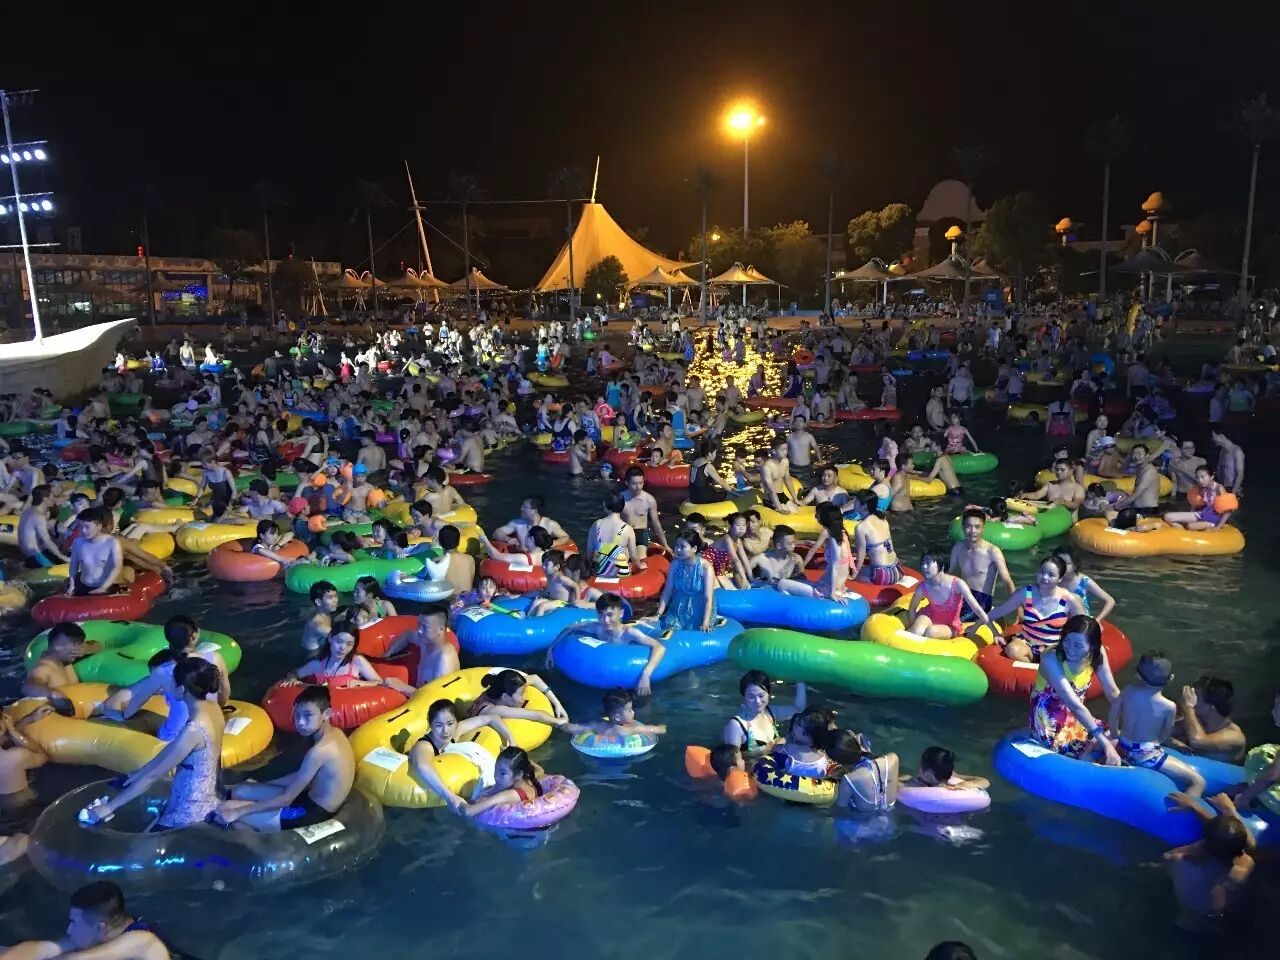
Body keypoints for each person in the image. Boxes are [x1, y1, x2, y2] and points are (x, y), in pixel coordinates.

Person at [81, 658, 226, 829]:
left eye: (172, 682)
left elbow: (154, 776)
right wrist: (139, 773)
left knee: (140, 845)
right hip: (207, 798)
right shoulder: (214, 709)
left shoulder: (193, 730)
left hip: (188, 811)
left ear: (181, 689)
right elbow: (170, 752)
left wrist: (109, 807)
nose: (168, 686)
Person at [215, 685, 354, 831]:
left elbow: (286, 799)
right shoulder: (336, 734)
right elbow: (304, 777)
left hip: (309, 812)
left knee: (227, 808)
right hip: (305, 796)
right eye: (297, 715)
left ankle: (258, 838)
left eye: (307, 715)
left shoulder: (320, 751)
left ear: (326, 714)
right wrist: (264, 785)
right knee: (241, 791)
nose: (300, 722)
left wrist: (237, 812)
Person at [1108, 650, 1205, 797]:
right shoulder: (1169, 706)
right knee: (1198, 781)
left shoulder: (1128, 691)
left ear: (1138, 675)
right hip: (1147, 757)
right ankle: (1185, 807)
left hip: (1122, 747)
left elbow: (1113, 713)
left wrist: (1115, 736)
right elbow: (1165, 734)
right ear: (1171, 678)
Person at [1027, 615, 1121, 763]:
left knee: (1118, 739)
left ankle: (1089, 751)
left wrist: (1134, 716)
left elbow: (1112, 691)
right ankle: (1087, 756)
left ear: (1092, 646)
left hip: (1076, 717)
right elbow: (1074, 704)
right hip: (1049, 721)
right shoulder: (1051, 660)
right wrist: (1105, 743)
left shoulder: (1097, 654)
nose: (1070, 649)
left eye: (1078, 645)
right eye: (1067, 641)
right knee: (1101, 746)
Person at [0, 881, 171, 959]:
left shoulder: (143, 940)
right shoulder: (100, 935)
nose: (69, 929)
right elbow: (41, 949)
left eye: (74, 922)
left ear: (100, 928)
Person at [1163, 792, 1256, 931]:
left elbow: (1167, 858)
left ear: (1205, 843)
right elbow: (1247, 843)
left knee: (1185, 922)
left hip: (1194, 912)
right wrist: (1230, 810)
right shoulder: (1245, 865)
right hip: (1225, 913)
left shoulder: (1180, 862)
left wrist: (1194, 807)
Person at [408, 699, 519, 812]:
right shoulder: (424, 745)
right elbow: (422, 766)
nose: (445, 730)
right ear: (430, 725)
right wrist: (450, 797)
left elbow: (492, 718)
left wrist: (512, 741)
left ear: (456, 722)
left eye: (450, 723)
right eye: (438, 725)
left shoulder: (454, 733)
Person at [986, 555, 1086, 662]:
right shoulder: (1026, 593)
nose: (1045, 577)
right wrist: (995, 633)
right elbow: (995, 613)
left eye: (1051, 575)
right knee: (1012, 650)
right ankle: (1031, 667)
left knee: (1051, 658)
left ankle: (1045, 666)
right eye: (1042, 572)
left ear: (1060, 578)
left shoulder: (1069, 599)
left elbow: (1085, 627)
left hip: (1053, 647)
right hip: (1026, 642)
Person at [569, 593, 666, 696]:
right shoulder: (597, 628)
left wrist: (646, 674)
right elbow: (572, 627)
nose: (605, 620)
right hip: (603, 678)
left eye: (610, 615)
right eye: (601, 615)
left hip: (627, 682)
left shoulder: (628, 633)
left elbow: (659, 647)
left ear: (621, 613)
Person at [287, 627, 415, 697]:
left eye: (349, 644)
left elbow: (379, 682)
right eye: (339, 641)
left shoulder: (357, 662)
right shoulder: (317, 665)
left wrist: (362, 683)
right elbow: (294, 673)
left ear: (353, 645)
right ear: (330, 638)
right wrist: (292, 679)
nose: (342, 648)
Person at [905, 549, 994, 639]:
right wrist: (912, 624)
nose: (924, 567)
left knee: (930, 632)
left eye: (928, 563)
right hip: (928, 617)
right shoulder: (923, 587)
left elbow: (977, 609)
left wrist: (995, 633)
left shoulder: (958, 584)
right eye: (923, 563)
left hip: (949, 626)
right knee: (917, 630)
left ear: (942, 565)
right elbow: (912, 608)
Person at [722, 670, 807, 761]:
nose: (758, 701)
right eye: (751, 697)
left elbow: (799, 710)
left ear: (769, 694)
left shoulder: (770, 712)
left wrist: (801, 685)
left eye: (761, 696)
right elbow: (732, 762)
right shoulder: (736, 726)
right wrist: (768, 748)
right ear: (744, 697)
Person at [948, 508, 1015, 619]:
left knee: (950, 621)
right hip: (963, 597)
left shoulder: (993, 552)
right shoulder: (958, 547)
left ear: (983, 528)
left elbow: (1007, 581)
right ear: (963, 527)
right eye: (969, 526)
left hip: (981, 602)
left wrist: (1019, 611)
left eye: (977, 527)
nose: (973, 531)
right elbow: (951, 575)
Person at [1171, 676, 1246, 764]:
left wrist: (1188, 707)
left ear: (1211, 707)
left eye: (1195, 699)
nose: (1191, 701)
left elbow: (1198, 740)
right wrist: (1175, 744)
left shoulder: (1235, 737)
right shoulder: (1196, 723)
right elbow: (1161, 733)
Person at [22, 622, 96, 709]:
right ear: (57, 646)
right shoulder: (45, 667)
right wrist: (54, 694)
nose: (78, 649)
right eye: (74, 644)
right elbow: (27, 687)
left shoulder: (65, 659)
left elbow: (98, 645)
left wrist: (86, 648)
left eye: (79, 644)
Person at [654, 529, 715, 632]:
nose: (678, 549)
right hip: (677, 609)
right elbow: (667, 591)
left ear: (694, 548)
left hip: (698, 610)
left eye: (682, 547)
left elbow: (708, 598)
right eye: (677, 546)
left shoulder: (706, 568)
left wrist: (705, 623)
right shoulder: (675, 564)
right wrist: (658, 614)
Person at [831, 728, 898, 816]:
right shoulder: (893, 759)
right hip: (890, 817)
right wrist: (867, 751)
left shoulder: (849, 780)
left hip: (862, 822)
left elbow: (839, 811)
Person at [563, 688, 668, 740]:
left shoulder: (597, 725)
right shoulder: (629, 730)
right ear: (617, 717)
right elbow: (660, 730)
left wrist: (563, 724)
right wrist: (663, 726)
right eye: (629, 710)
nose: (633, 712)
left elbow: (572, 728)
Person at [64, 506, 124, 596]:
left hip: (106, 586)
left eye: (87, 527)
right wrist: (72, 585)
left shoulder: (112, 542)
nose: (83, 530)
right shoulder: (78, 542)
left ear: (99, 526)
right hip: (83, 586)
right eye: (81, 527)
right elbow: (73, 566)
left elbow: (117, 567)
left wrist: (103, 588)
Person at [848, 490, 902, 585]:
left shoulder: (861, 527)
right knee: (865, 569)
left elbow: (861, 556)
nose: (854, 502)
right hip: (898, 568)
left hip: (884, 574)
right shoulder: (883, 519)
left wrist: (853, 575)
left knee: (849, 574)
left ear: (864, 506)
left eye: (856, 501)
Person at [587, 492, 645, 578]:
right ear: (622, 507)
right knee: (625, 552)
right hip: (620, 574)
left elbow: (589, 552)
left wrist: (589, 568)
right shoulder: (628, 529)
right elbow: (633, 556)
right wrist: (639, 565)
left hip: (598, 572)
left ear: (605, 505)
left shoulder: (596, 525)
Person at [1162, 464, 1235, 531]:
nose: (1200, 480)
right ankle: (1182, 532)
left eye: (1202, 477)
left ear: (1212, 476)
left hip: (1214, 519)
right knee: (1168, 517)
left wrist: (1218, 527)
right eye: (1197, 477)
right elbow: (1196, 503)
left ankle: (1208, 526)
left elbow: (1228, 510)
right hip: (1203, 514)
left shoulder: (1219, 488)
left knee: (1190, 526)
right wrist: (1190, 515)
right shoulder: (1203, 489)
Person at [1053, 549, 1116, 621]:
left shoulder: (1084, 581)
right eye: (1059, 563)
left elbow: (1110, 601)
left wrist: (1098, 620)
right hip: (1059, 620)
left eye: (1066, 563)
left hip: (1081, 621)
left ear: (1075, 566)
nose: (1062, 566)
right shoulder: (1052, 580)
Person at [620, 467, 672, 554]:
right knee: (624, 557)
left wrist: (665, 545)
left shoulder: (649, 500)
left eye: (640, 483)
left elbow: (656, 523)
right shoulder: (620, 498)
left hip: (640, 533)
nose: (638, 487)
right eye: (634, 484)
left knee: (641, 558)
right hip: (624, 532)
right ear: (627, 483)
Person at [0, 709, 48, 800]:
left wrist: (29, 719)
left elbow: (4, 738)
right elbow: (43, 756)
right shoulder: (18, 756)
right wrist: (14, 732)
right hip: (20, 803)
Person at [491, 496, 569, 551]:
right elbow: (497, 533)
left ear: (534, 510)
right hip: (522, 558)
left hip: (540, 562)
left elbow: (565, 537)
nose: (521, 508)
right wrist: (508, 539)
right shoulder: (517, 523)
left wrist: (553, 543)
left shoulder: (549, 524)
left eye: (525, 507)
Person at [1109, 443, 1162, 515]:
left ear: (1147, 455)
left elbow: (1135, 495)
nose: (1136, 456)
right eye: (1134, 454)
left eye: (1140, 453)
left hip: (1148, 511)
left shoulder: (1149, 472)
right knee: (1119, 492)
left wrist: (1115, 507)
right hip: (1138, 508)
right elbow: (1122, 470)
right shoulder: (1140, 467)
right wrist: (1129, 457)